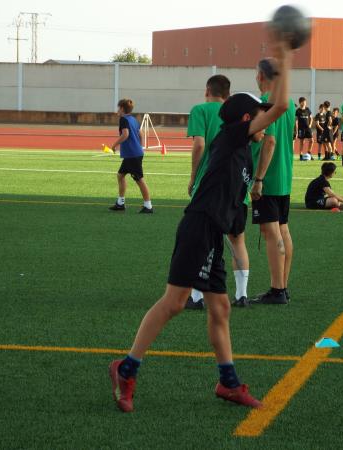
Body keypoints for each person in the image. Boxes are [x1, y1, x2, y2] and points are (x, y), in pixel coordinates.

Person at [108, 39, 293, 413]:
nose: (263, 121)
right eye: (257, 116)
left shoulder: (242, 149)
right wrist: (285, 61)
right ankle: (125, 369)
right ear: (246, 121)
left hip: (213, 233)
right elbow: (281, 107)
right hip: (199, 227)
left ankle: (228, 384)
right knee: (174, 302)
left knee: (220, 308)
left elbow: (271, 126)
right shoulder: (233, 137)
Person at [185, 74, 252, 310]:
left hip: (210, 186)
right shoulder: (236, 114)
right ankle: (242, 294)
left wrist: (193, 176)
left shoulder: (200, 110)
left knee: (202, 240)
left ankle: (196, 296)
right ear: (228, 94)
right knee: (238, 240)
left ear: (207, 90)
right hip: (238, 186)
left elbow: (200, 144)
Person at [250, 58, 296, 305]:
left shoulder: (267, 104)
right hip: (284, 175)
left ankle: (277, 289)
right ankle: (283, 286)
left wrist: (258, 179)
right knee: (283, 230)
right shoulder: (287, 104)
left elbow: (269, 141)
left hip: (269, 177)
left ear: (261, 76)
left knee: (271, 232)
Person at [109, 99, 153, 213]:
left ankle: (148, 206)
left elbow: (125, 134)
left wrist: (114, 145)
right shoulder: (133, 119)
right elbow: (140, 134)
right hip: (133, 154)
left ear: (122, 109)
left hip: (132, 155)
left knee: (139, 179)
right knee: (120, 175)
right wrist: (140, 147)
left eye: (118, 108)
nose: (117, 110)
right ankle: (120, 203)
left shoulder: (123, 119)